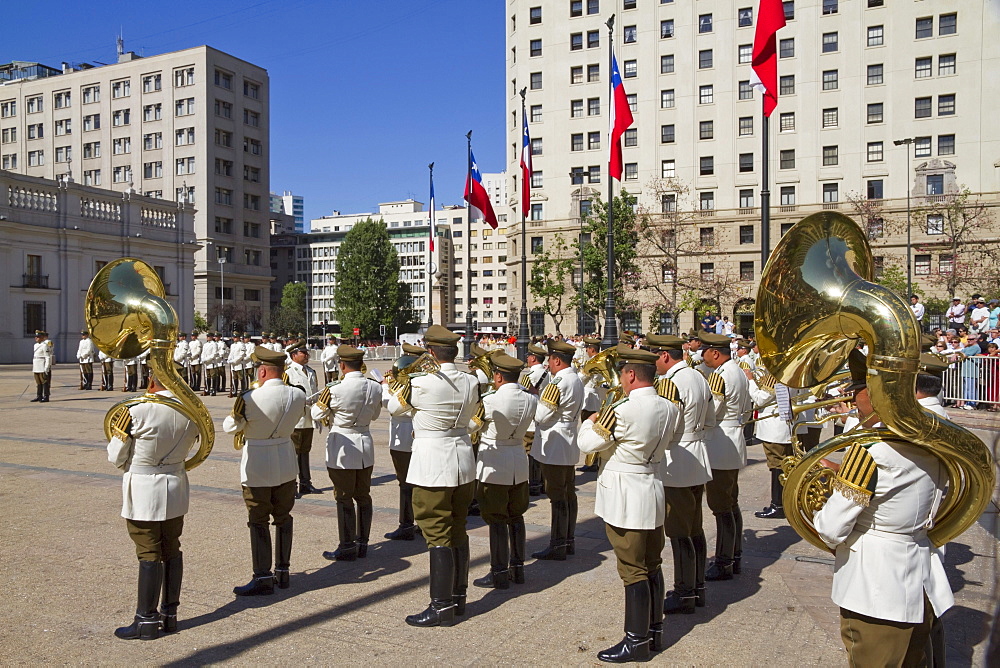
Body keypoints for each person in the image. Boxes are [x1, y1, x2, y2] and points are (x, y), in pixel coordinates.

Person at [813, 379, 952, 667]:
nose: (857, 411)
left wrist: (817, 506)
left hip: (875, 584)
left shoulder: (870, 450)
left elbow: (830, 527)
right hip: (920, 571)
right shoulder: (935, 436)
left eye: (862, 409)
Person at [579, 345, 681, 662]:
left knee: (632, 569)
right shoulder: (670, 408)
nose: (621, 380)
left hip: (625, 495)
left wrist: (590, 421)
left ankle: (635, 641)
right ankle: (654, 632)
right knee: (652, 563)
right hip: (651, 488)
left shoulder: (621, 411)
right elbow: (674, 440)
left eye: (623, 374)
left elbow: (587, 443)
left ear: (631, 374)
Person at [387, 325, 479, 628]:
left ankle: (440, 605)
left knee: (436, 531)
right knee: (457, 527)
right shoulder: (470, 379)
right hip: (463, 461)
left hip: (433, 464)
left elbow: (394, 409)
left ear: (431, 352)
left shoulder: (421, 383)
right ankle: (458, 597)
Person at [107, 370, 198, 640]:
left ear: (151, 382)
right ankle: (170, 614)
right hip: (175, 485)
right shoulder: (191, 411)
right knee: (172, 547)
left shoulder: (136, 410)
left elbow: (115, 456)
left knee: (148, 551)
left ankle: (146, 619)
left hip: (144, 488)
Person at [222, 346, 306, 596]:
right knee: (283, 517)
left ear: (261, 371)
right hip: (286, 460)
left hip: (258, 463)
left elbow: (229, 427)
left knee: (258, 520)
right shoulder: (298, 394)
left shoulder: (248, 398)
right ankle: (283, 571)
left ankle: (262, 576)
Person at [645, 334, 714, 614]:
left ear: (664, 356)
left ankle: (685, 592)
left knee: (678, 531)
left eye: (654, 357)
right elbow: (710, 416)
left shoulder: (672, 382)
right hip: (697, 452)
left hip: (678, 459)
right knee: (694, 527)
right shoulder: (698, 375)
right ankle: (696, 588)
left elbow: (666, 422)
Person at [470, 352, 538, 589]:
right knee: (516, 516)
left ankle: (498, 571)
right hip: (518, 460)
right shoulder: (530, 399)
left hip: (495, 461)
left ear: (498, 376)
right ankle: (517, 568)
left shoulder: (490, 400)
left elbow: (471, 427)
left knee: (496, 518)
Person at [312, 344, 382, 561]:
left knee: (343, 497)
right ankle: (363, 543)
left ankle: (347, 545)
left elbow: (316, 413)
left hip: (342, 445)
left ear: (341, 365)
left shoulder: (334, 389)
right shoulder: (375, 387)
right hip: (364, 443)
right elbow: (375, 415)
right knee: (363, 496)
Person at [700, 331, 751, 581]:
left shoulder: (720, 375)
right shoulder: (738, 370)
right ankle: (734, 555)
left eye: (705, 352)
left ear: (715, 352)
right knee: (731, 503)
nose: (702, 357)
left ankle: (723, 561)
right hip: (732, 438)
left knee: (721, 506)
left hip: (720, 442)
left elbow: (712, 410)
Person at [531, 339, 584, 561]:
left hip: (554, 442)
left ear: (556, 360)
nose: (549, 366)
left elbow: (541, 415)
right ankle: (568, 540)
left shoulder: (558, 383)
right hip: (568, 438)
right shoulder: (576, 379)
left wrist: (534, 398)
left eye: (551, 361)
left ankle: (557, 543)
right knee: (568, 492)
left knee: (557, 494)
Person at [382, 343, 427, 541]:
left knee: (405, 483)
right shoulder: (426, 381)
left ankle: (406, 524)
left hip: (403, 438)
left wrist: (385, 385)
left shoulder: (404, 385)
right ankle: (422, 522)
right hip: (421, 436)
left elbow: (390, 406)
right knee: (421, 481)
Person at [285, 340, 322, 497]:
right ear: (294, 355)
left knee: (305, 451)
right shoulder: (289, 373)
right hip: (297, 418)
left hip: (309, 417)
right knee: (293, 452)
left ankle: (305, 483)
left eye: (307, 352)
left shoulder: (311, 372)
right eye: (303, 353)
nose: (307, 355)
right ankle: (291, 485)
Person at [520, 343, 551, 496]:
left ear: (533, 358)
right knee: (538, 452)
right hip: (542, 414)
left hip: (532, 418)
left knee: (530, 453)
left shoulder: (530, 375)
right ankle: (542, 482)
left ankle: (534, 484)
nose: (527, 358)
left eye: (528, 356)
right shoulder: (547, 373)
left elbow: (524, 394)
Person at [577, 336, 605, 473]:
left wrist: (581, 370)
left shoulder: (593, 362)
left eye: (587, 348)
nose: (586, 351)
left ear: (591, 349)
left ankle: (591, 461)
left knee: (588, 428)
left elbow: (581, 379)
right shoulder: (599, 360)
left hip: (589, 398)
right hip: (594, 396)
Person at [31, 330, 53, 403]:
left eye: (38, 337)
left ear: (42, 337)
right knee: (38, 382)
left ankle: (46, 396)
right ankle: (39, 396)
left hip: (41, 365)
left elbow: (47, 357)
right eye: (36, 337)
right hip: (36, 365)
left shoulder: (44, 345)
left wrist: (47, 367)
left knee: (44, 381)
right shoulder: (35, 345)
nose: (36, 338)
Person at [200, 333, 219, 397]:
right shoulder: (205, 344)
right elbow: (203, 353)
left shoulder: (214, 344)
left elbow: (214, 354)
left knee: (213, 377)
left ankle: (213, 389)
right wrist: (203, 359)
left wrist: (206, 359)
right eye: (207, 336)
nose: (207, 337)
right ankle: (207, 389)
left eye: (209, 336)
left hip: (211, 363)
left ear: (211, 337)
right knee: (207, 377)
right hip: (206, 364)